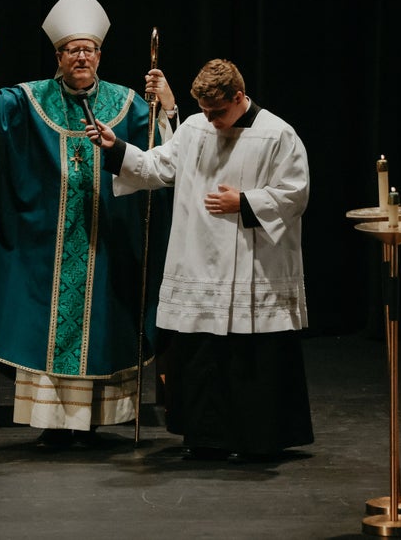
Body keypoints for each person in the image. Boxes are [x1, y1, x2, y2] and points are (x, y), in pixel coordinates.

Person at [0, 0, 176, 448]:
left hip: (108, 243)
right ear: (58, 54)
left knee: (106, 326)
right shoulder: (28, 100)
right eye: (73, 50)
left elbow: (165, 156)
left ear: (99, 54)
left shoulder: (129, 103)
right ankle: (53, 424)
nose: (81, 57)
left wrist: (166, 107)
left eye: (88, 50)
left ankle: (93, 421)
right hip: (42, 247)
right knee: (42, 325)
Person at [85, 58, 314, 463]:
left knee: (251, 359)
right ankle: (206, 436)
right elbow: (159, 166)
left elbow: (295, 193)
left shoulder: (277, 134)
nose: (211, 120)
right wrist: (116, 147)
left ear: (239, 97)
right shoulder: (195, 129)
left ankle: (256, 440)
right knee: (202, 355)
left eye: (219, 111)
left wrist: (243, 202)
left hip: (252, 264)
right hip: (198, 261)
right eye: (205, 111)